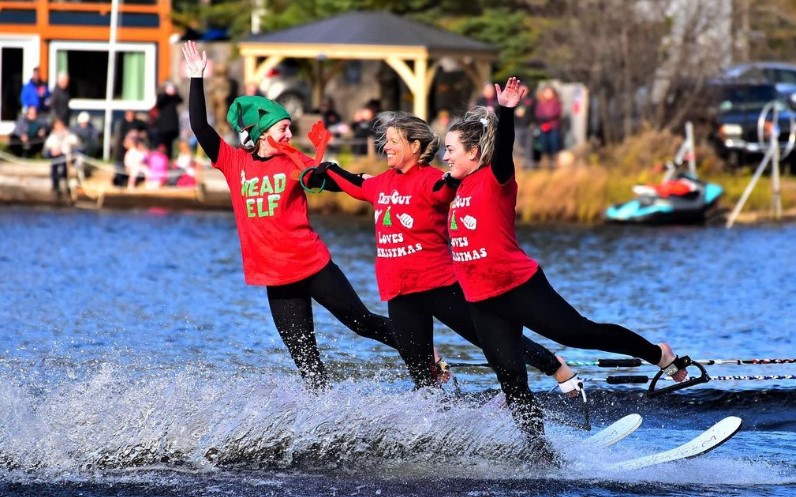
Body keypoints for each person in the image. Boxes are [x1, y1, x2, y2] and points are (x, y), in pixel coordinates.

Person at [441, 77, 690, 460]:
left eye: (451, 150)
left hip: (518, 287)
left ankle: (657, 353)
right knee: (511, 381)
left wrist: (505, 110)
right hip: (482, 300)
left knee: (579, 333)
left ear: (474, 152)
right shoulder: (455, 188)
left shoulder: (495, 179)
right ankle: (540, 455)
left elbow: (503, 147)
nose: (446, 156)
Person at [300, 111, 582, 393]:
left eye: (393, 141)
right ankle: (439, 427)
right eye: (385, 141)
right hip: (399, 294)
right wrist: (323, 172)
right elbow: (352, 182)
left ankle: (555, 366)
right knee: (423, 377)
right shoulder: (381, 183)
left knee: (492, 340)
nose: (385, 146)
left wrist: (452, 178)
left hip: (441, 285)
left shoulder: (432, 180)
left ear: (415, 146)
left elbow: (444, 189)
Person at [182, 40, 405, 391]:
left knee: (361, 323)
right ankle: (322, 423)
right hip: (275, 275)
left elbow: (323, 178)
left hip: (312, 265)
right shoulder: (233, 161)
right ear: (261, 133)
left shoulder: (293, 162)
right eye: (283, 128)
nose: (289, 133)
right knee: (305, 359)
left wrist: (360, 181)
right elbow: (200, 126)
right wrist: (197, 77)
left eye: (288, 127)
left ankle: (425, 353)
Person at [43, 118, 79, 198]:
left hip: (66, 156)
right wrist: (53, 150)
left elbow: (75, 142)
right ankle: (55, 185)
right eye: (57, 125)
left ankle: (65, 184)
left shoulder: (69, 134)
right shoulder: (53, 135)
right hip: (55, 156)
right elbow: (48, 145)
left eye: (60, 125)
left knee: (64, 168)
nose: (59, 127)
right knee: (54, 167)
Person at [153, 81, 184, 159]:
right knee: (163, 144)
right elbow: (159, 103)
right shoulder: (161, 96)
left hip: (173, 125)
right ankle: (162, 158)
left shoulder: (174, 98)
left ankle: (169, 159)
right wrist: (166, 94)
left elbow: (180, 100)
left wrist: (175, 92)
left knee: (170, 144)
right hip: (164, 126)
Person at [534, 84, 563, 166]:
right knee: (544, 147)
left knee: (554, 146)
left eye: (550, 92)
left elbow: (556, 113)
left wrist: (546, 117)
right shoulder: (540, 103)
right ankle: (545, 164)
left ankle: (555, 164)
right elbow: (538, 114)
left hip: (553, 127)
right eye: (546, 92)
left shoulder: (556, 102)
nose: (548, 94)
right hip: (543, 127)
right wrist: (543, 118)